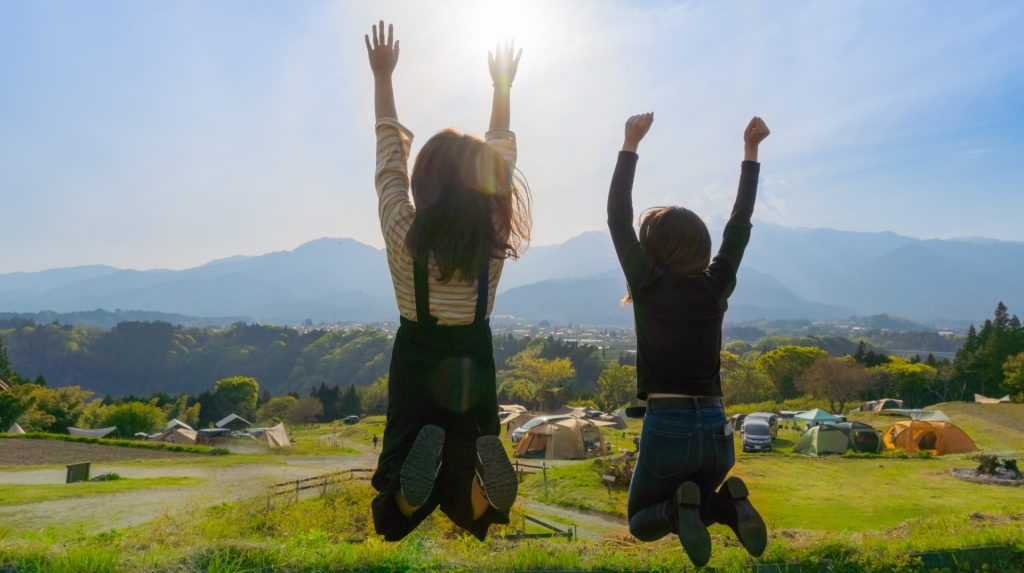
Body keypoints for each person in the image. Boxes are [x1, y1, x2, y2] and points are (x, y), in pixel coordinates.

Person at [364, 21, 530, 541]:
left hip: (417, 357)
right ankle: (479, 487)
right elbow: (499, 159)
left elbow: (389, 158)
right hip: (472, 364)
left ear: (423, 183)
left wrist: (383, 76)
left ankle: (408, 493)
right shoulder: (494, 234)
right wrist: (501, 87)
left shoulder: (401, 231)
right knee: (469, 479)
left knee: (390, 512)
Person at [607, 112, 771, 566]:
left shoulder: (647, 284)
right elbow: (739, 224)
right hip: (718, 426)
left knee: (642, 522)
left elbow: (617, 217)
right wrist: (751, 151)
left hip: (669, 423)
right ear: (701, 246)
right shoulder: (716, 285)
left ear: (652, 248)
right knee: (698, 498)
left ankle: (686, 516)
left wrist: (630, 143)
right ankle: (726, 505)